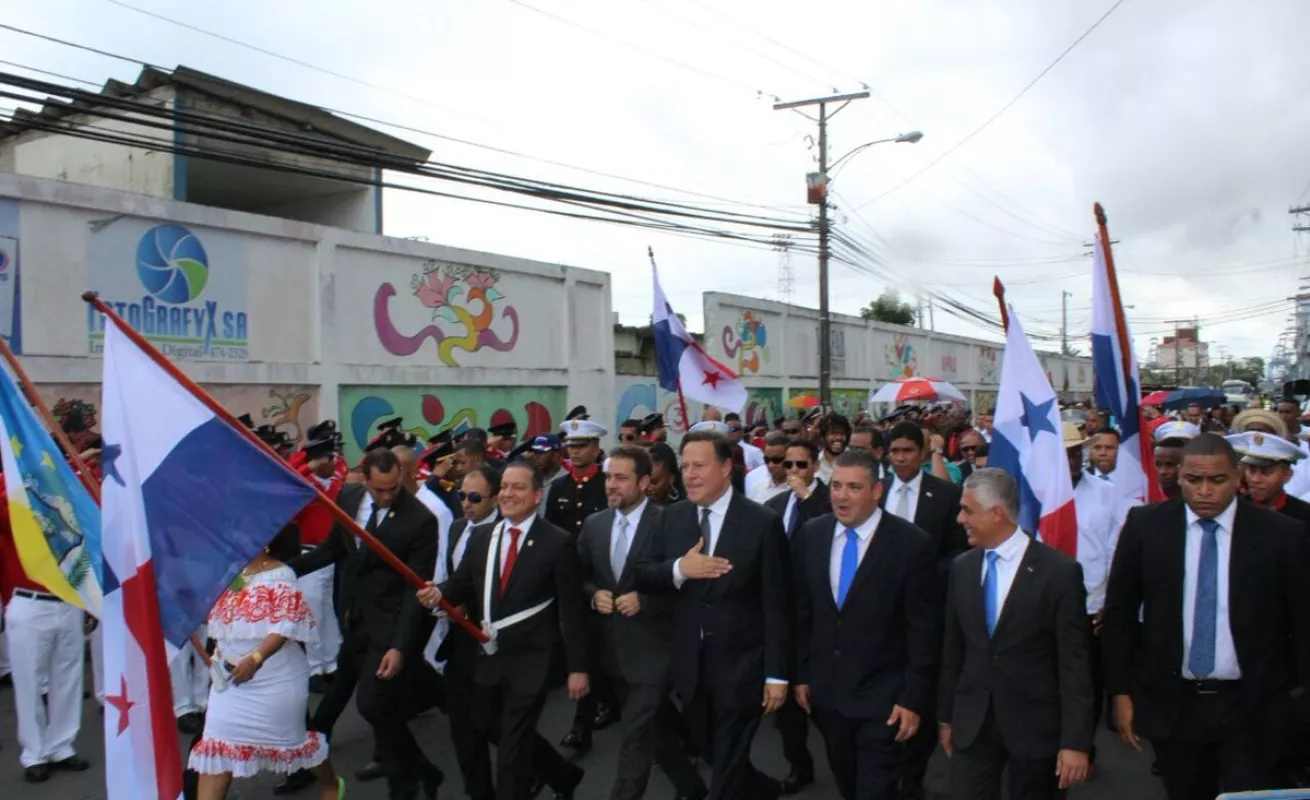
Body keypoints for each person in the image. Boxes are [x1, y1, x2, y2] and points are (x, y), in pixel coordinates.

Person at [1103, 433, 1310, 800]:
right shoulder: (1145, 526)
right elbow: (1119, 615)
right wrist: (1120, 692)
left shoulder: (1282, 535)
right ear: (1179, 476)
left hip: (1254, 707)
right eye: (1193, 480)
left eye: (1217, 481)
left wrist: (1298, 701)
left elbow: (1302, 622)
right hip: (1174, 704)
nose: (1204, 491)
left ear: (1237, 477)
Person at [418, 461, 588, 800]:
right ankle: (562, 774)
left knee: (512, 750)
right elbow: (461, 583)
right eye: (505, 487)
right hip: (489, 659)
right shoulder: (483, 537)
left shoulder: (557, 542)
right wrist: (438, 593)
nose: (509, 494)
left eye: (518, 487)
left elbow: (573, 610)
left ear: (537, 496)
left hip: (533, 660)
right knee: (485, 724)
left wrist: (578, 668)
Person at [636, 429, 790, 800]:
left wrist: (777, 674)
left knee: (727, 769)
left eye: (699, 466)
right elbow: (641, 572)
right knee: (713, 749)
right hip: (691, 665)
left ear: (725, 468)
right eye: (685, 465)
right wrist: (679, 569)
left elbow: (778, 602)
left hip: (743, 667)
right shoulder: (671, 518)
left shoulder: (761, 522)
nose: (689, 474)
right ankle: (764, 791)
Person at [288, 448, 440, 800]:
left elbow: (414, 590)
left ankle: (404, 786)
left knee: (372, 705)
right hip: (353, 618)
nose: (386, 496)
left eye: (393, 489)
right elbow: (331, 550)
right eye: (379, 490)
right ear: (365, 480)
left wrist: (399, 647)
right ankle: (423, 771)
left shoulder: (420, 521)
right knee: (349, 695)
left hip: (388, 628)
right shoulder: (349, 497)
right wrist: (284, 571)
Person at [938, 468, 1093, 800]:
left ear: (996, 514)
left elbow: (1075, 664)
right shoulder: (962, 568)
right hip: (973, 725)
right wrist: (946, 717)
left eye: (968, 510)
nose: (959, 518)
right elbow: (953, 649)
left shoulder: (1059, 573)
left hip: (1035, 729)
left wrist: (1075, 742)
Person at [793, 448, 938, 800]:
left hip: (885, 698)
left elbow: (923, 629)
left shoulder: (911, 544)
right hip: (828, 696)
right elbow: (802, 611)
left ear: (877, 491)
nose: (842, 496)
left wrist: (913, 699)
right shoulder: (812, 534)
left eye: (854, 488)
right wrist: (801, 673)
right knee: (846, 778)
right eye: (836, 486)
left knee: (876, 788)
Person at [577, 446, 706, 800]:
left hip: (657, 652)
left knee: (634, 740)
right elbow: (581, 576)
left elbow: (688, 585)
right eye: (608, 477)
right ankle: (695, 788)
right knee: (657, 732)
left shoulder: (670, 522)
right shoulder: (594, 525)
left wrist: (645, 600)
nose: (611, 486)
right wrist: (593, 595)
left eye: (621, 478)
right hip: (614, 654)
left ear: (645, 482)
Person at [189, 526, 343, 800]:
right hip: (230, 684)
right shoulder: (225, 575)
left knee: (293, 744)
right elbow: (211, 616)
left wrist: (257, 659)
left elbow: (284, 626)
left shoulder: (280, 575)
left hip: (276, 678)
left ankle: (330, 784)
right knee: (216, 747)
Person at [880, 422, 967, 799]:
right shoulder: (875, 491)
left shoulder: (946, 495)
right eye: (894, 451)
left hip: (927, 611)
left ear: (922, 452)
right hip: (880, 616)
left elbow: (959, 554)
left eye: (907, 451)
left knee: (921, 693)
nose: (900, 458)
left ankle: (913, 776)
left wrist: (919, 572)